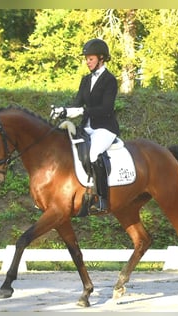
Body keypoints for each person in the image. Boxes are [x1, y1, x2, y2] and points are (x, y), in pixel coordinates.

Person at [52, 38, 120, 213]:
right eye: (86, 59)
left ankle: (102, 198)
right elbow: (77, 103)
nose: (87, 62)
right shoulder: (85, 80)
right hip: (87, 127)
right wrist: (63, 110)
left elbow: (106, 108)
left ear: (101, 58)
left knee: (93, 154)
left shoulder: (110, 80)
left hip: (105, 128)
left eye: (90, 59)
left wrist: (83, 111)